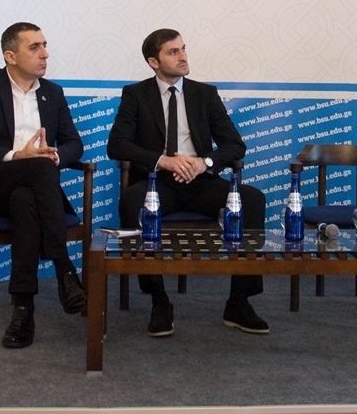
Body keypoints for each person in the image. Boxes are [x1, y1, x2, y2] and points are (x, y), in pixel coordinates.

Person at [107, 29, 268, 337]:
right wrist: (163, 161)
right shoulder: (136, 94)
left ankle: (239, 301)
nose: (183, 57)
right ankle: (158, 299)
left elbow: (235, 145)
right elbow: (117, 145)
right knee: (131, 201)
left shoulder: (204, 94)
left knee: (252, 199)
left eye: (183, 49)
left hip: (201, 182)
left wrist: (204, 163)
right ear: (153, 62)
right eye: (173, 52)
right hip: (157, 183)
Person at [0, 22, 87, 349]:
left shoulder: (53, 92)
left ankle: (23, 310)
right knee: (37, 168)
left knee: (26, 199)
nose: (45, 54)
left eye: (45, 45)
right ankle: (64, 268)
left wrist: (56, 156)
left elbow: (74, 144)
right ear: (10, 56)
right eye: (34, 47)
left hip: (32, 191)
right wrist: (17, 155)